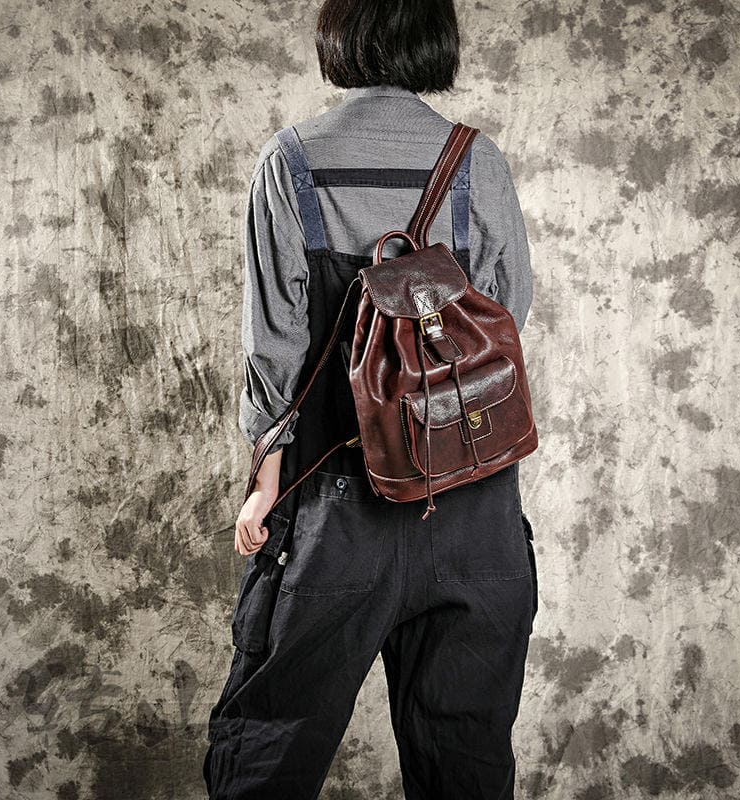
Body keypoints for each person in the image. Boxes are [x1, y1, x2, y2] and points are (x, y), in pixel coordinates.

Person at [203, 1, 538, 797]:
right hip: (473, 513)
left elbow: (276, 344)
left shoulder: (291, 162)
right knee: (465, 770)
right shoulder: (477, 162)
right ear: (435, 41)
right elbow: (505, 316)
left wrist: (266, 479)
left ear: (341, 36)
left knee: (269, 754)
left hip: (334, 506)